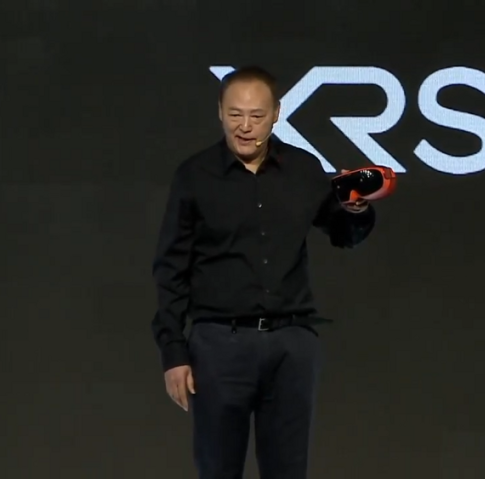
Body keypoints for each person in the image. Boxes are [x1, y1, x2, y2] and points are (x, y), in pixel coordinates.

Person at [150, 65, 377, 479]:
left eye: (256, 116)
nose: (245, 126)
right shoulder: (195, 176)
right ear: (220, 112)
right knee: (218, 469)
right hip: (219, 346)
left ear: (276, 114)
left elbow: (344, 234)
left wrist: (357, 209)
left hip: (291, 346)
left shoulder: (303, 169)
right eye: (235, 114)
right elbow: (170, 268)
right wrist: (173, 353)